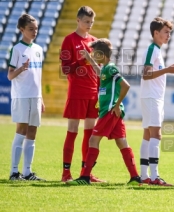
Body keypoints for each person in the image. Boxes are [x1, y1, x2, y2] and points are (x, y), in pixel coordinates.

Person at [66, 38, 142, 185]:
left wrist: (116, 105)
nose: (92, 55)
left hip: (109, 111)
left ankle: (85, 177)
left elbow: (125, 86)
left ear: (102, 55)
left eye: (94, 53)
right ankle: (134, 177)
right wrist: (89, 58)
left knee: (93, 140)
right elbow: (100, 73)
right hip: (114, 112)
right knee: (122, 143)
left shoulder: (111, 68)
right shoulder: (106, 69)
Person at [60, 6, 104, 182]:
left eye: (91, 22)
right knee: (72, 131)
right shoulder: (69, 40)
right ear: (78, 20)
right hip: (77, 92)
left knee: (90, 133)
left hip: (93, 94)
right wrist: (82, 59)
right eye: (87, 21)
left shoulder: (94, 41)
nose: (89, 25)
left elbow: (99, 70)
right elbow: (65, 69)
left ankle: (86, 173)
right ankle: (66, 174)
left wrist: (101, 92)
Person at [139, 17, 174, 186]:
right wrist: (168, 70)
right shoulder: (152, 49)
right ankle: (154, 177)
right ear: (156, 33)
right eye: (165, 32)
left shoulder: (156, 50)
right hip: (151, 97)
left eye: (169, 32)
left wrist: (166, 70)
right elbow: (146, 74)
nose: (168, 35)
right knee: (156, 135)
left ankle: (144, 176)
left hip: (152, 97)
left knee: (148, 135)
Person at [7, 14, 45, 181]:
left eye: (36, 28)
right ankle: (14, 172)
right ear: (22, 29)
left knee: (32, 133)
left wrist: (41, 97)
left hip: (35, 96)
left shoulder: (38, 49)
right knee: (21, 131)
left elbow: (38, 76)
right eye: (31, 29)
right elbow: (9, 76)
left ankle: (27, 172)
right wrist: (21, 69)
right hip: (22, 96)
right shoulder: (17, 49)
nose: (34, 31)